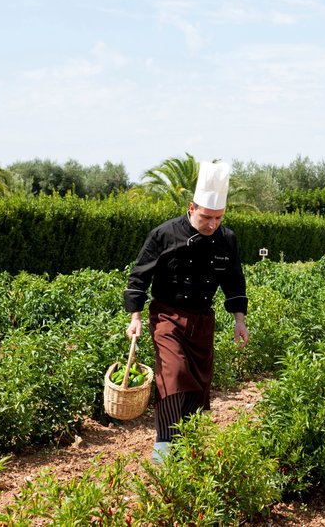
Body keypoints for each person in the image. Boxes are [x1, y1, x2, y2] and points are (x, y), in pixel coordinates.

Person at [123, 160, 249, 464]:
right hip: (167, 315)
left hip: (202, 320)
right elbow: (139, 274)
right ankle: (163, 445)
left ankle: (186, 443)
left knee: (197, 386)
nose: (212, 225)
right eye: (206, 217)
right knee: (174, 375)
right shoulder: (164, 234)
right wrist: (135, 316)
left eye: (218, 218)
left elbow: (234, 280)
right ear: (192, 208)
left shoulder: (226, 240)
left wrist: (239, 321)